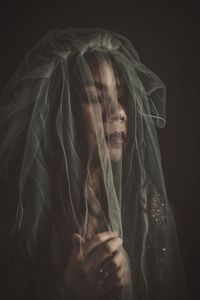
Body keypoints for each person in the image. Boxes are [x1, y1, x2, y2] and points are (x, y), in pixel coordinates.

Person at [0, 28, 187, 300]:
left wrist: (129, 287)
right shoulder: (18, 216)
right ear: (59, 114)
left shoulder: (151, 212)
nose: (119, 112)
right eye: (96, 97)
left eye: (122, 96)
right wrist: (69, 291)